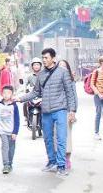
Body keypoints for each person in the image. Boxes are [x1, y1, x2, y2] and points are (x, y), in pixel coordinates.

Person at [32, 47, 77, 175]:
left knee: (61, 138)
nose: (44, 60)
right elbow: (35, 92)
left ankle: (61, 165)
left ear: (53, 58)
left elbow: (69, 92)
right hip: (45, 111)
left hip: (60, 110)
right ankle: (52, 161)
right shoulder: (41, 75)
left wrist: (72, 110)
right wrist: (20, 98)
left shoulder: (63, 72)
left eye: (46, 58)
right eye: (43, 58)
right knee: (47, 138)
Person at [0, 85, 20, 174]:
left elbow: (17, 119)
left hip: (11, 131)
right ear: (1, 94)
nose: (6, 95)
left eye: (8, 93)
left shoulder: (14, 106)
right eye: (4, 93)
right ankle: (6, 165)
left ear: (12, 94)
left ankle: (10, 163)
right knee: (5, 146)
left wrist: (15, 132)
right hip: (2, 130)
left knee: (11, 148)